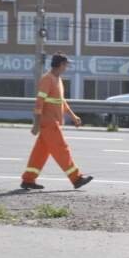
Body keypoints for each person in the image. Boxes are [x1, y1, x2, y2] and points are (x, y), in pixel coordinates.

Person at [21, 53, 93, 190]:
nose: (67, 67)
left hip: (52, 123)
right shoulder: (47, 79)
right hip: (49, 123)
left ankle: (28, 180)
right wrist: (36, 124)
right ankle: (76, 178)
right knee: (62, 149)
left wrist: (73, 116)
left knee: (40, 153)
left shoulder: (57, 79)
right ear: (61, 65)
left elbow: (61, 102)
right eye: (66, 64)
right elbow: (39, 103)